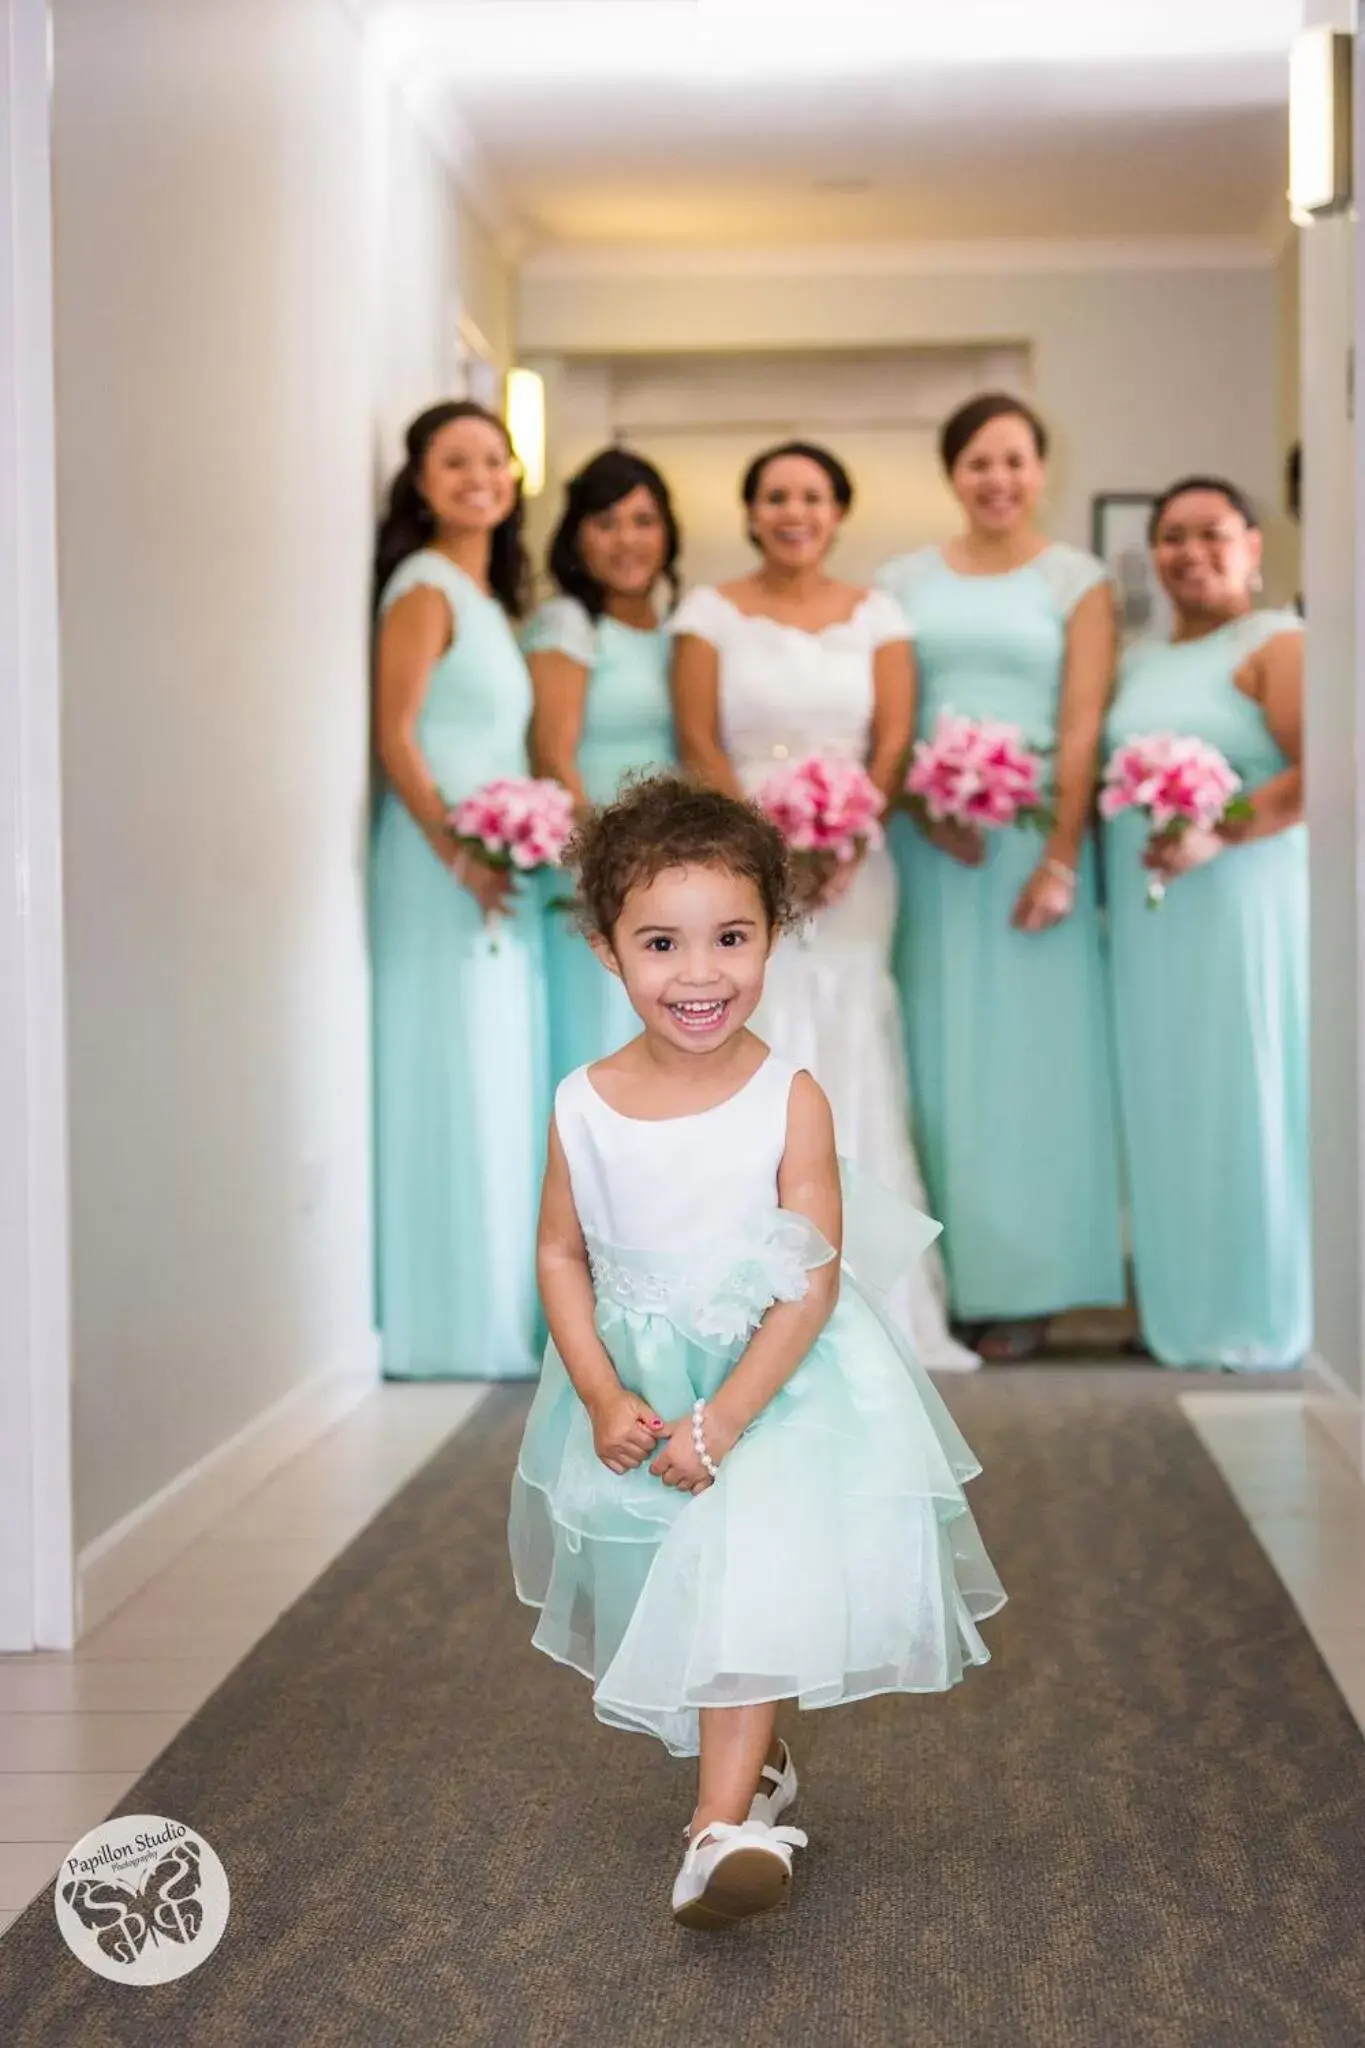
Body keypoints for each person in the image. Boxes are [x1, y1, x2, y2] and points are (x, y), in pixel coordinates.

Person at [509, 776, 1004, 1929]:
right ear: (603, 946)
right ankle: (757, 1766)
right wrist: (599, 1388)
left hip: (779, 1387)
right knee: (672, 1590)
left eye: (733, 937)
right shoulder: (582, 1103)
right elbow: (559, 1252)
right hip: (641, 1381)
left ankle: (718, 1829)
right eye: (662, 942)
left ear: (774, 934)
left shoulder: (791, 1094)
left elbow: (815, 1273)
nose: (701, 972)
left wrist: (721, 1418)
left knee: (751, 1582)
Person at [670, 440, 978, 1373]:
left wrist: (844, 837)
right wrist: (760, 854)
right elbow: (696, 738)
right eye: (773, 496)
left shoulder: (878, 613)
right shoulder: (707, 613)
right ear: (751, 512)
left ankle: (871, 1299)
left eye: (810, 496)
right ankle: (733, 1298)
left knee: (850, 1049)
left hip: (855, 874)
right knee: (750, 1040)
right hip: (738, 862)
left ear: (837, 512)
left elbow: (889, 744)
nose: (792, 511)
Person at [877, 394, 1125, 1362]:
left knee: (1034, 1066)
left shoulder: (1079, 579)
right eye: (979, 462)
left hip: (1032, 847)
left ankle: (1032, 1283)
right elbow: (885, 718)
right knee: (938, 1062)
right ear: (952, 473)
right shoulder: (902, 579)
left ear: (1041, 470)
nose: (998, 479)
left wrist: (1063, 852)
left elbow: (1079, 723)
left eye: (1015, 461)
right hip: (934, 846)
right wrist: (921, 807)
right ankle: (953, 1279)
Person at [1104, 477, 1308, 1368]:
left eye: (1211, 534)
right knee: (1168, 1099)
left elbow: (1324, 769)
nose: (1190, 553)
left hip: (1237, 904)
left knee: (1244, 1092)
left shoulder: (1276, 642)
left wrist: (1216, 834)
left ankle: (1260, 1313)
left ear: (1253, 546)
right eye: (1172, 537)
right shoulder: (1139, 661)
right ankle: (1177, 1314)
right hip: (1152, 924)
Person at [370, 400, 546, 1380]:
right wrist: (458, 853)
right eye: (453, 461)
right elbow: (398, 736)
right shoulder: (424, 585)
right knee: (450, 1064)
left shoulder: (488, 598)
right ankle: (446, 1321)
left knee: (494, 1071)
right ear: (422, 483)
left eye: (492, 458)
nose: (477, 476)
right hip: (442, 863)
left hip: (497, 859)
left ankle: (494, 1311)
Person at [526, 448, 680, 1083]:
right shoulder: (569, 624)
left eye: (644, 521)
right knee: (602, 1040)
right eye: (606, 522)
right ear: (576, 535)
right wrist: (609, 865)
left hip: (668, 872)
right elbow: (552, 757)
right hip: (596, 870)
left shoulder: (677, 631)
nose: (627, 541)